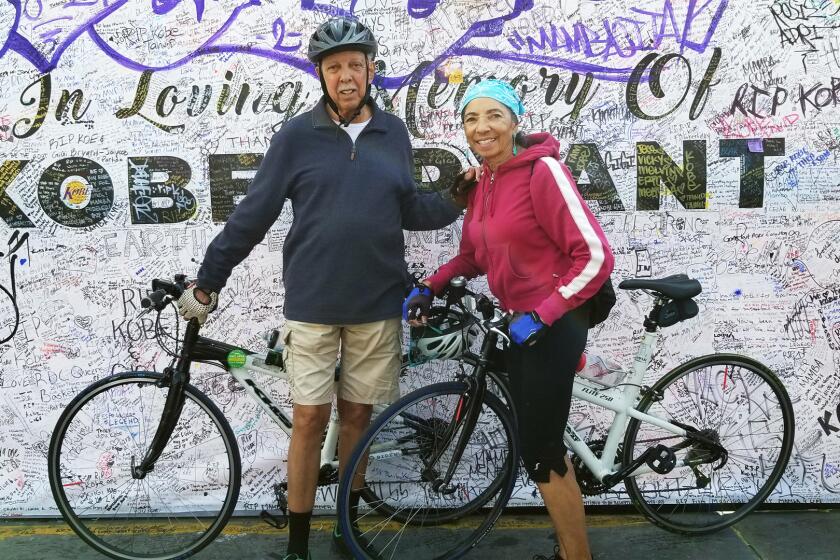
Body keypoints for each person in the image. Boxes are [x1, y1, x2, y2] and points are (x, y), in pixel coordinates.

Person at [177, 16, 464, 560]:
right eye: (335, 67)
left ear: (371, 70)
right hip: (311, 304)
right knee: (310, 418)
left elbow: (407, 209)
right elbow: (254, 213)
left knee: (357, 417)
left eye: (356, 65)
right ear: (322, 75)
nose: (347, 75)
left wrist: (455, 198)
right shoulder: (295, 136)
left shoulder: (394, 133)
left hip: (377, 303)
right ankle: (298, 545)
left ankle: (346, 531)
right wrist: (209, 280)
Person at [404, 80, 614, 560]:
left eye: (493, 116)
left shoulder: (543, 172)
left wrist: (544, 313)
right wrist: (430, 285)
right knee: (537, 443)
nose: (482, 128)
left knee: (540, 452)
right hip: (520, 320)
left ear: (515, 121)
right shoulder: (485, 182)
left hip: (555, 317)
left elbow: (596, 256)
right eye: (471, 119)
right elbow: (473, 256)